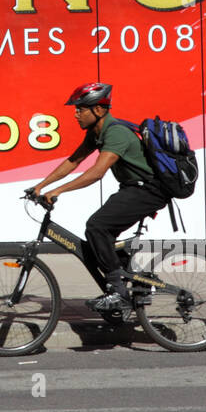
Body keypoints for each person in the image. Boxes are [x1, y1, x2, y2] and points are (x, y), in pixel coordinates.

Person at [27, 82, 169, 315]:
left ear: (99, 110)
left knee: (96, 227)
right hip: (133, 188)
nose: (76, 114)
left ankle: (117, 292)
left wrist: (58, 191)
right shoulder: (96, 133)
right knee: (99, 238)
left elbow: (97, 172)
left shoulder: (116, 133)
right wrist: (40, 186)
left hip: (149, 191)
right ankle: (129, 279)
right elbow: (73, 161)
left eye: (81, 109)